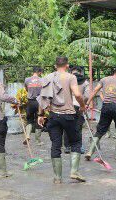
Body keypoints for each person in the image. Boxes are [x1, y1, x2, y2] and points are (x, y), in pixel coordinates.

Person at [37, 56, 86, 184]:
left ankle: (57, 178)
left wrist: (40, 115)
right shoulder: (71, 77)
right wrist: (82, 106)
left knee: (56, 145)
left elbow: (43, 98)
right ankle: (74, 172)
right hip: (69, 115)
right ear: (67, 65)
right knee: (75, 142)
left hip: (53, 116)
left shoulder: (48, 77)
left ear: (55, 66)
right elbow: (77, 94)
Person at [85, 66, 116, 160]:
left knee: (100, 130)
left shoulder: (104, 79)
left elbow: (95, 90)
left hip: (106, 106)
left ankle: (90, 152)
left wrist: (87, 103)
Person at [63, 65, 87, 154]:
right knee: (78, 127)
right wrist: (84, 105)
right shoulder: (85, 82)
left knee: (67, 127)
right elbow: (87, 95)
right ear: (80, 72)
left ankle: (67, 146)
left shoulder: (66, 80)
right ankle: (79, 146)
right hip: (79, 106)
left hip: (67, 106)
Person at [24, 66, 44, 146]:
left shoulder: (27, 79)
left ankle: (28, 135)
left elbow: (26, 89)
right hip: (39, 102)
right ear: (39, 72)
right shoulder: (42, 80)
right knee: (39, 119)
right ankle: (38, 141)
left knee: (29, 120)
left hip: (30, 102)